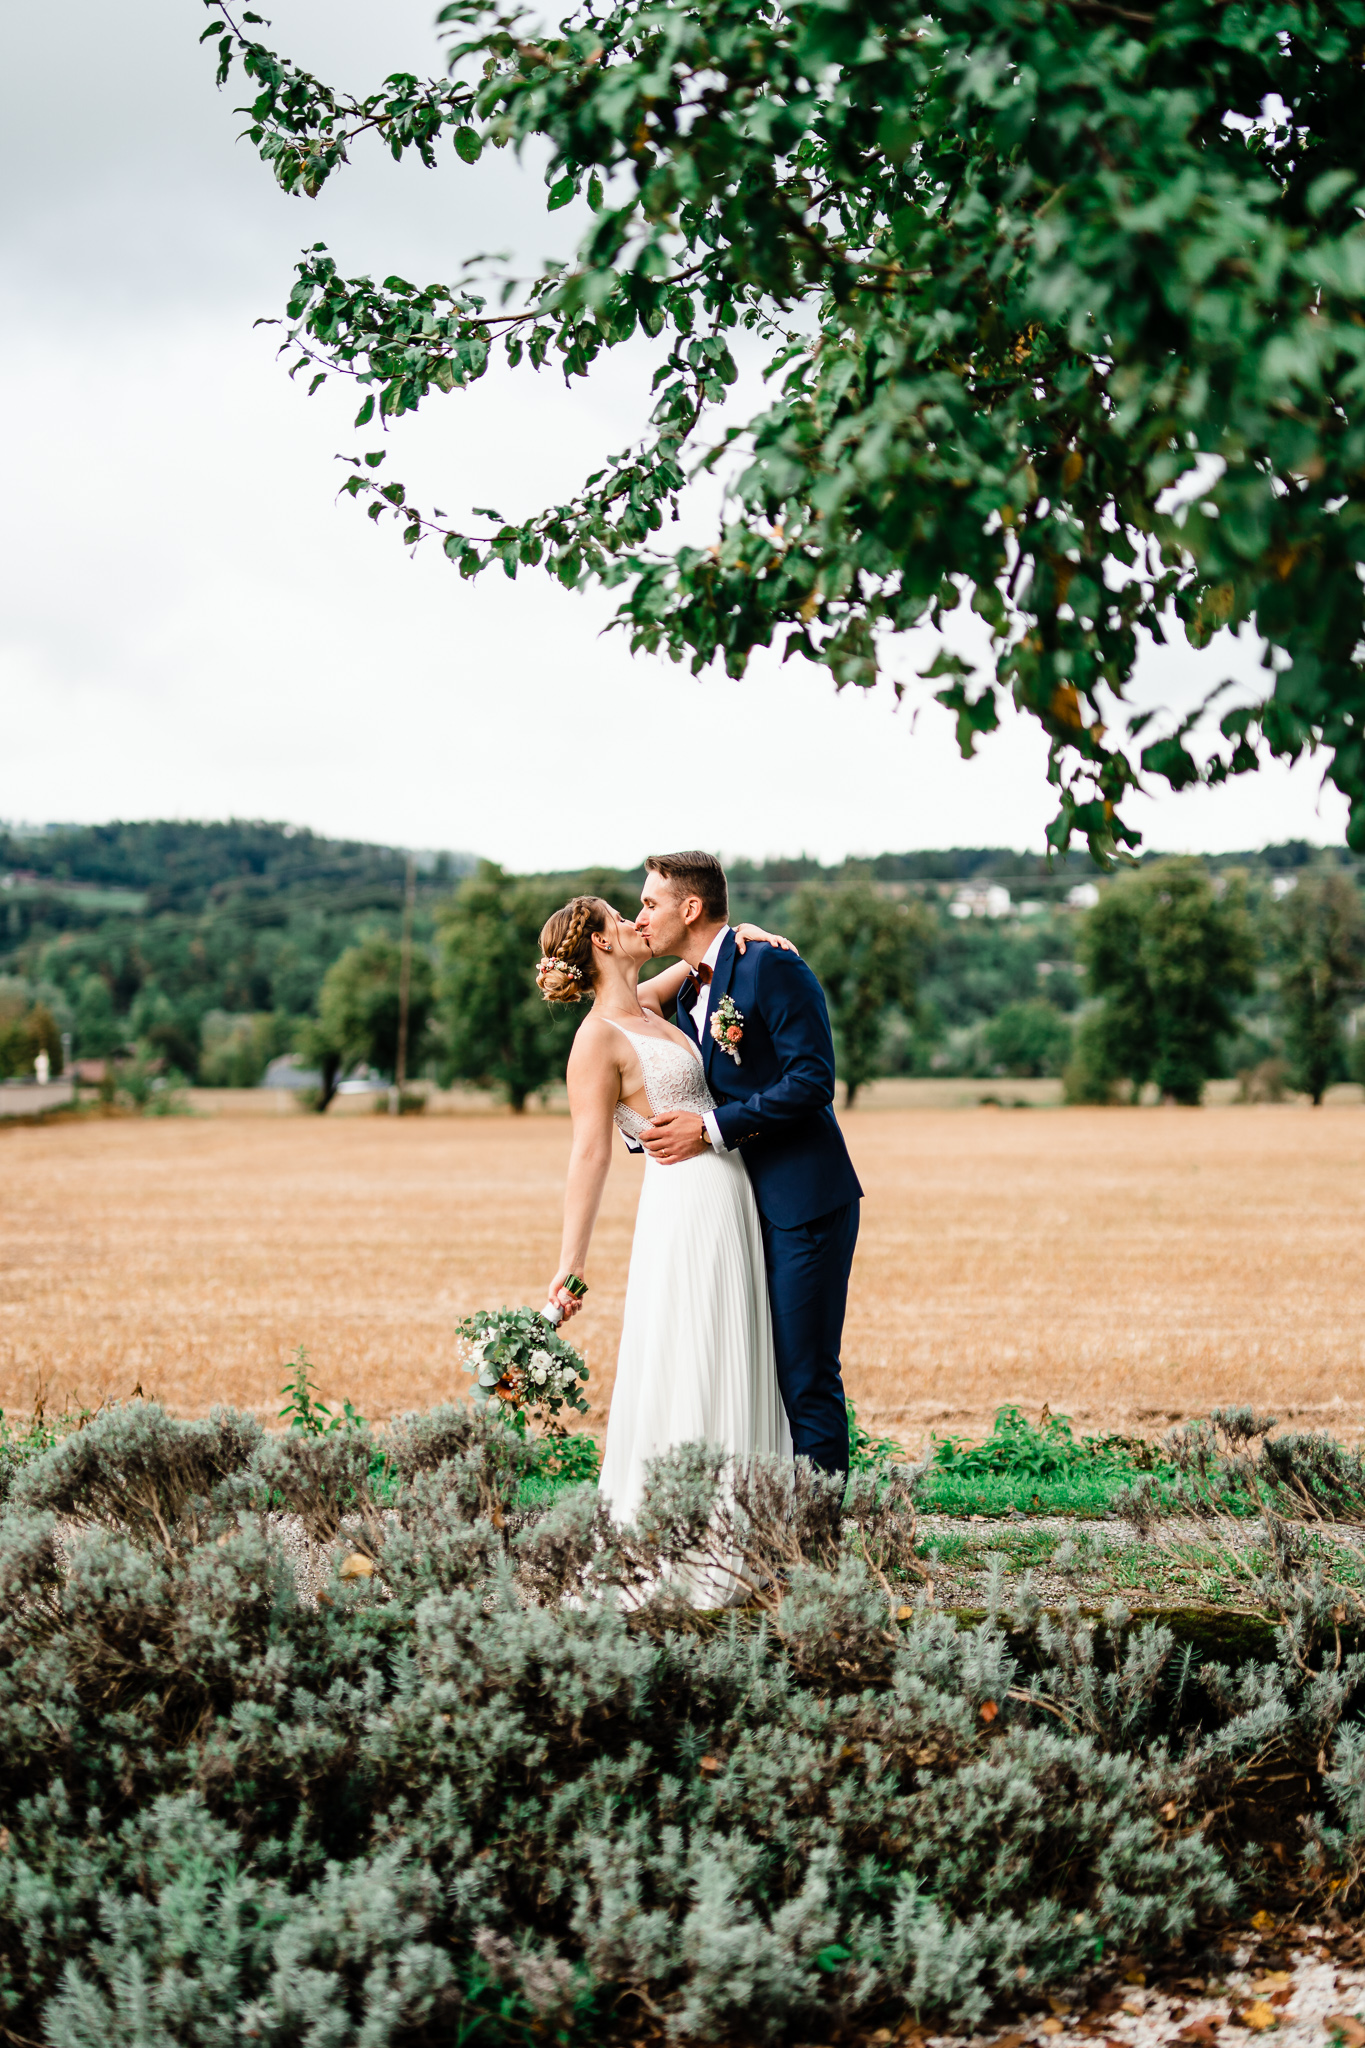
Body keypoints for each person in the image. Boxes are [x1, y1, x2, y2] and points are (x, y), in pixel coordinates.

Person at [537, 897, 796, 1579]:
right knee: (692, 1349)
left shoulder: (645, 1006)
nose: (638, 923)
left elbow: (709, 958)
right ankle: (689, 1549)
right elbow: (589, 1155)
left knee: (736, 1346)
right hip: (683, 1205)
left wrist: (745, 935)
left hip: (730, 1193)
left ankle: (749, 1538)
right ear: (598, 942)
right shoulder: (595, 1039)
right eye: (623, 917)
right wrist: (569, 1268)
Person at [631, 852, 862, 1481]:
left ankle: (818, 1554)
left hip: (802, 1199)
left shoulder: (772, 965)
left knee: (806, 1375)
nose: (640, 915)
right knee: (760, 1368)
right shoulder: (693, 981)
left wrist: (708, 1129)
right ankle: (773, 1529)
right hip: (738, 1208)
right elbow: (619, 997)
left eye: (650, 903)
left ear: (690, 906)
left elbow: (813, 1080)